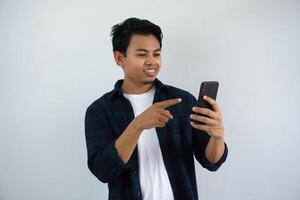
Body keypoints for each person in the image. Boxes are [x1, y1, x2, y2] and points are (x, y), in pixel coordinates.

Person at [84, 17, 228, 200]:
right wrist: (137, 126)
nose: (152, 61)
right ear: (120, 58)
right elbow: (103, 171)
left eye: (157, 54)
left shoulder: (182, 101)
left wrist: (217, 137)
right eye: (142, 54)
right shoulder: (100, 111)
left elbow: (211, 162)